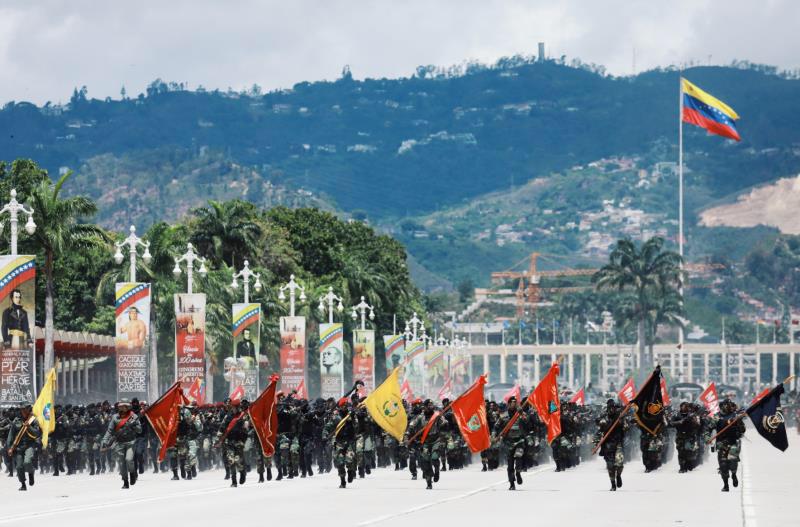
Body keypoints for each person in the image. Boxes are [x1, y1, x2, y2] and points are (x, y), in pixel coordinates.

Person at [100, 399, 142, 489]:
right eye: (121, 406)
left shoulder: (133, 416)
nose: (123, 407)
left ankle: (132, 473)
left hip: (131, 442)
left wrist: (134, 425)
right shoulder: (115, 417)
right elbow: (109, 431)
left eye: (125, 406)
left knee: (129, 459)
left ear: (128, 407)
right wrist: (105, 440)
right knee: (121, 463)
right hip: (119, 443)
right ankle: (125, 481)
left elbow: (140, 430)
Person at [493, 396, 530, 490]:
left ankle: (518, 472)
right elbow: (496, 427)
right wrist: (494, 436)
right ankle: (512, 483)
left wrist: (522, 413)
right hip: (508, 442)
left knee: (518, 457)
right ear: (508, 404)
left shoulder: (520, 413)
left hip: (519, 441)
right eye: (512, 402)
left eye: (515, 402)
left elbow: (527, 421)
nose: (514, 404)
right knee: (510, 465)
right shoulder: (503, 415)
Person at [594, 399, 628, 491]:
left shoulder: (620, 416)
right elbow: (597, 424)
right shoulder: (604, 416)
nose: (611, 409)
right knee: (610, 466)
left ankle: (619, 476)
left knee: (619, 464)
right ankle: (613, 484)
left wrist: (622, 422)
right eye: (610, 408)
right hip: (608, 445)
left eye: (613, 407)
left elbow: (626, 427)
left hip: (618, 443)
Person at [714, 398, 746, 492]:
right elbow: (709, 427)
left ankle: (734, 475)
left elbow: (742, 430)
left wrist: (738, 422)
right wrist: (707, 438)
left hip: (732, 443)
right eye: (725, 405)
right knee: (723, 466)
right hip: (721, 444)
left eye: (728, 404)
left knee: (733, 463)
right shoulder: (717, 416)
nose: (727, 406)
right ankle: (726, 485)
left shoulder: (735, 415)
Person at [6, 404, 40, 491]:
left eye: (25, 409)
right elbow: (11, 435)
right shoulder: (16, 421)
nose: (23, 411)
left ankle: (31, 473)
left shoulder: (33, 420)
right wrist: (10, 448)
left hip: (30, 445)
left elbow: (37, 433)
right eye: (21, 409)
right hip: (18, 447)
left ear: (29, 409)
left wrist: (29, 427)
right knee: (19, 467)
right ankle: (23, 484)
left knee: (27, 462)